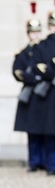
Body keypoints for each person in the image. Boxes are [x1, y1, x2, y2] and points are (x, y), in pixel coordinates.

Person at [12, 18, 46, 171]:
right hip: (30, 94)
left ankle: (44, 161)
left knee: (44, 129)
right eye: (33, 32)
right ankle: (34, 161)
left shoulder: (44, 49)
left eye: (38, 32)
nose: (36, 35)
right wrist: (34, 77)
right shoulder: (24, 53)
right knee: (31, 130)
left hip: (43, 94)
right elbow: (18, 72)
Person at [35, 10, 55, 175]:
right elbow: (40, 68)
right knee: (50, 131)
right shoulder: (43, 46)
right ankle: (51, 164)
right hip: (50, 93)